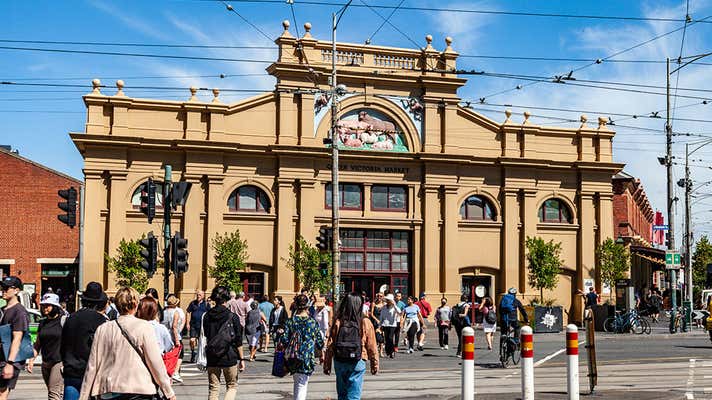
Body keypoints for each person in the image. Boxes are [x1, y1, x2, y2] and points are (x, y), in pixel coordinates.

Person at [79, 287, 175, 400]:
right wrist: (168, 391)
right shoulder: (144, 327)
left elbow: (92, 365)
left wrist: (84, 396)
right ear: (136, 304)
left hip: (109, 390)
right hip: (138, 388)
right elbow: (155, 362)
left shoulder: (103, 328)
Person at [324, 292, 379, 400]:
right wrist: (374, 364)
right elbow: (372, 346)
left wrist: (327, 363)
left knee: (342, 395)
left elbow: (330, 343)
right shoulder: (365, 321)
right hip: (358, 360)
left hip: (340, 360)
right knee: (354, 396)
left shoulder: (338, 321)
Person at [61, 282, 108, 400]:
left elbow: (63, 344)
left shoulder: (71, 318)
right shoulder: (100, 320)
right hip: (90, 372)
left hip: (71, 370)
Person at [278, 294, 324, 400]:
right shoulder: (312, 322)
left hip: (292, 356)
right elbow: (320, 342)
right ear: (307, 306)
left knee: (297, 382)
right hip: (306, 357)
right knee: (302, 384)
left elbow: (284, 340)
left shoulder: (290, 322)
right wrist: (321, 353)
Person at [203, 286, 245, 400]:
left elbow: (206, 335)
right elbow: (238, 340)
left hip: (212, 355)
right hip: (229, 355)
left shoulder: (206, 316)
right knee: (231, 385)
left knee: (214, 387)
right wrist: (241, 359)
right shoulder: (233, 317)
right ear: (226, 299)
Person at [28, 293, 65, 400]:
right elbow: (38, 343)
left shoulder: (64, 321)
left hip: (59, 362)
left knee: (53, 394)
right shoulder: (42, 323)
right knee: (54, 392)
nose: (45, 308)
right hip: (46, 362)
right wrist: (32, 360)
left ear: (55, 306)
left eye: (48, 305)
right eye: (43, 305)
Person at [0, 276, 29, 400]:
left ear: (16, 290)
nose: (3, 290)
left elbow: (17, 338)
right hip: (1, 356)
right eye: (2, 288)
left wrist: (10, 364)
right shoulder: (2, 310)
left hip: (8, 360)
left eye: (7, 288)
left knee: (2, 393)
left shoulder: (19, 312)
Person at [162, 294, 186, 383]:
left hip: (165, 336)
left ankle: (167, 372)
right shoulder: (175, 312)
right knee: (179, 354)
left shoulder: (163, 312)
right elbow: (174, 326)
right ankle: (175, 372)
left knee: (167, 355)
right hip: (174, 335)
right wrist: (177, 339)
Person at [186, 290, 210, 363]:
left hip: (203, 326)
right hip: (193, 324)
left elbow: (209, 313)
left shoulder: (206, 304)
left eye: (199, 295)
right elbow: (188, 312)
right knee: (192, 340)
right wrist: (187, 323)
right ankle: (193, 352)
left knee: (202, 341)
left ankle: (201, 355)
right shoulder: (193, 303)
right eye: (197, 294)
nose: (198, 296)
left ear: (203, 296)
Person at [379, 294, 400, 358]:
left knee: (390, 338)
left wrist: (394, 305)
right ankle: (388, 351)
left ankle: (392, 351)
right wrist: (380, 324)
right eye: (387, 300)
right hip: (385, 324)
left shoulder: (394, 307)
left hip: (392, 325)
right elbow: (381, 316)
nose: (388, 301)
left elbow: (399, 312)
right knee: (387, 339)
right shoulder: (384, 307)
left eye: (389, 300)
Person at [370, 292, 385, 357]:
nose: (379, 297)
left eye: (381, 296)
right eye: (378, 296)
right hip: (375, 322)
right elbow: (371, 313)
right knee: (376, 337)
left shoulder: (384, 304)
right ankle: (375, 351)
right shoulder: (373, 304)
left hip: (383, 322)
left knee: (382, 337)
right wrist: (376, 319)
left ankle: (381, 352)